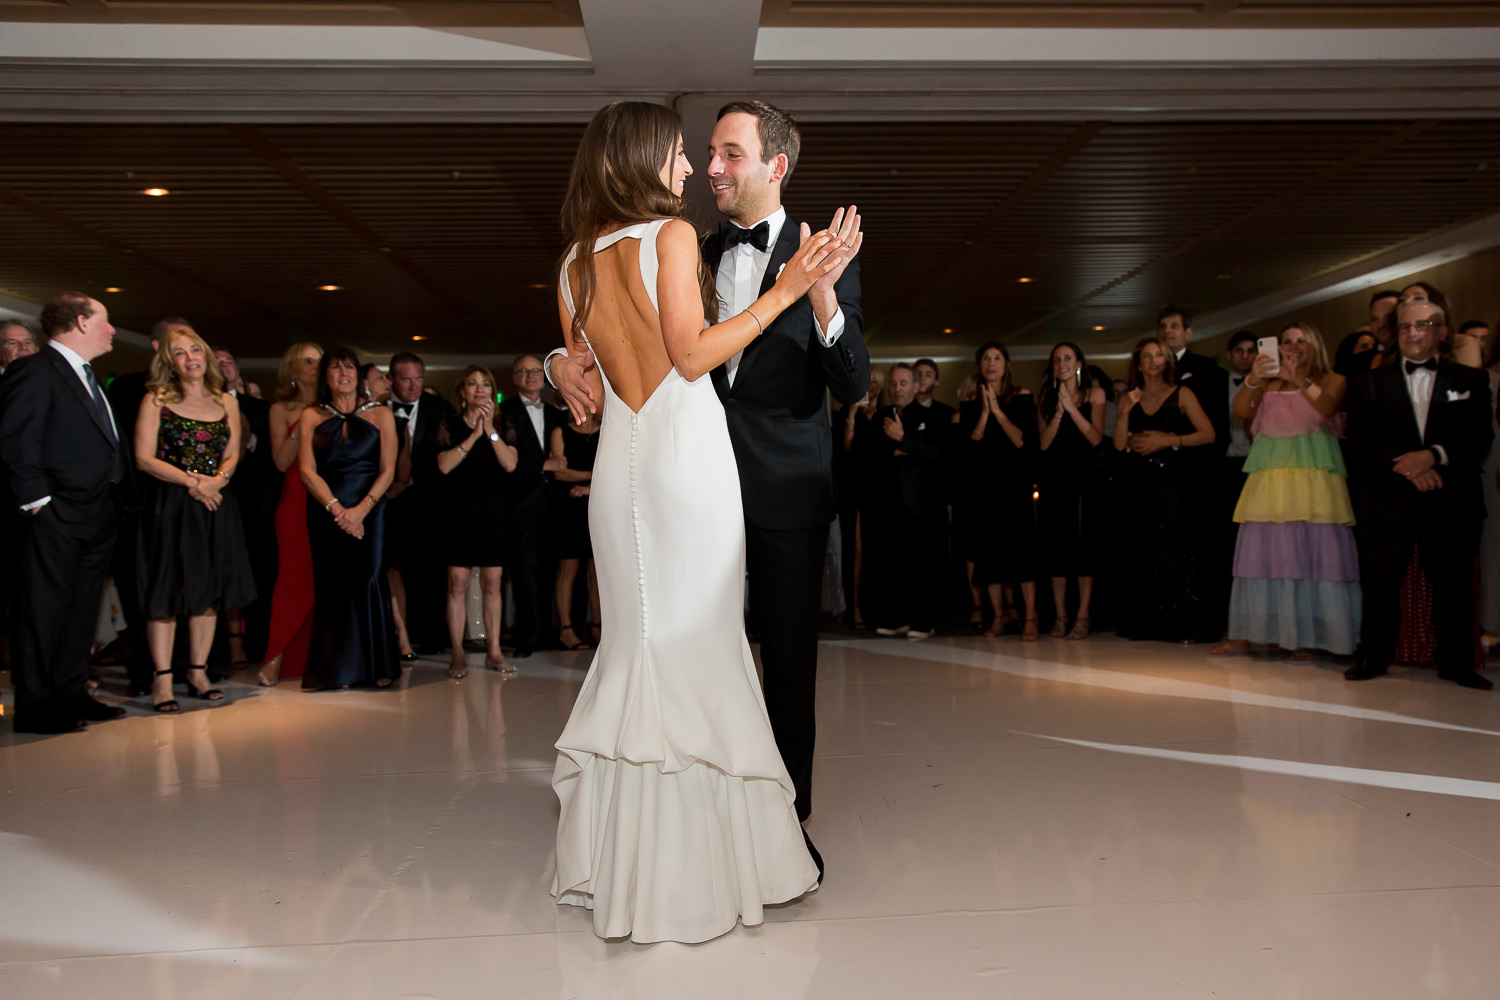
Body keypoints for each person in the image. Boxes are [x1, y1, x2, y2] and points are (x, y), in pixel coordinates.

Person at [545, 100, 859, 942]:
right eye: (684, 156)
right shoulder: (680, 238)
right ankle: (713, 864)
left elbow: (582, 379)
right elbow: (689, 355)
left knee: (643, 649)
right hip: (691, 470)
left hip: (623, 473)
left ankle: (628, 865)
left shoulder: (574, 260)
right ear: (643, 158)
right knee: (705, 655)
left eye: (718, 155)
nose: (695, 170)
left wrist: (554, 364)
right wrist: (788, 287)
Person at [0, 292, 132, 733]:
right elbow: (19, 440)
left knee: (81, 611)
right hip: (57, 513)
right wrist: (40, 504)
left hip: (98, 513)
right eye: (106, 321)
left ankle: (71, 693)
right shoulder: (33, 372)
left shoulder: (89, 376)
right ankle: (37, 708)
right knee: (43, 611)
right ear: (79, 323)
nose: (112, 330)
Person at [1344, 300, 1493, 689]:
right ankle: (1373, 656)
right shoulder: (1368, 383)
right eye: (1405, 327)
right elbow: (1362, 440)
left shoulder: (1471, 381)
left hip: (1450, 496)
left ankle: (1457, 664)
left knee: (1454, 584)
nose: (1412, 333)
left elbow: (1480, 437)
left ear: (1442, 332)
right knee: (1379, 583)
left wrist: (1433, 457)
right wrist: (1410, 468)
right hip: (1388, 497)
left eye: (1422, 325)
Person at [1213, 322, 1358, 661]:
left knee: (1313, 553)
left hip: (1313, 477)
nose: (1293, 347)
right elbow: (1239, 411)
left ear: (1315, 345)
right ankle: (1245, 635)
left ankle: (1308, 637)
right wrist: (1252, 378)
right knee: (1260, 553)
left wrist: (1299, 380)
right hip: (1270, 476)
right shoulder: (1266, 382)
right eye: (1286, 342)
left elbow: (1327, 408)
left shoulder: (1332, 379)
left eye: (1300, 341)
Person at [134, 328, 256, 710]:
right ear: (169, 362)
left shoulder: (227, 402)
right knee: (166, 591)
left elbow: (233, 453)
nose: (190, 358)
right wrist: (192, 482)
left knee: (207, 592)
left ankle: (198, 672)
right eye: (180, 353)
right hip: (172, 504)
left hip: (216, 504)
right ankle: (163, 680)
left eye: (195, 350)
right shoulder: (156, 401)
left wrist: (217, 481)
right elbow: (143, 457)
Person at [298, 347, 401, 691]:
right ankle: (333, 670)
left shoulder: (381, 414)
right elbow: (306, 470)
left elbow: (389, 471)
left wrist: (360, 510)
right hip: (327, 510)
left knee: (370, 578)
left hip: (372, 510)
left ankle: (377, 664)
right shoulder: (312, 415)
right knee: (332, 584)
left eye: (349, 368)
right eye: (336, 368)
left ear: (358, 374)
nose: (344, 374)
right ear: (325, 376)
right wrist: (337, 510)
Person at [1113, 337, 1217, 644]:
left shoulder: (1182, 393)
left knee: (1175, 550)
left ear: (1167, 361)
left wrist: (1170, 439)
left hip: (1173, 483)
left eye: (1159, 355)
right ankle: (1147, 624)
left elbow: (1208, 434)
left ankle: (1182, 624)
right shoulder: (1130, 397)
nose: (1154, 360)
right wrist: (1124, 413)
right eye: (1148, 356)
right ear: (1140, 364)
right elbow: (1119, 445)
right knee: (1144, 549)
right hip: (1140, 484)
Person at [435, 365, 518, 678]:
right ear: (462, 392)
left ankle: (494, 650)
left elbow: (510, 464)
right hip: (458, 513)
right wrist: (473, 436)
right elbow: (444, 466)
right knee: (456, 584)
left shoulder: (503, 423)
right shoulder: (449, 424)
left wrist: (490, 432)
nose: (480, 389)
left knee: (493, 584)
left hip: (494, 514)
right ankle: (458, 652)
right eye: (472, 384)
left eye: (485, 384)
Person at [951, 342, 1038, 639]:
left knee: (1022, 553)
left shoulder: (1023, 397)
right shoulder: (970, 404)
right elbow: (968, 451)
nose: (991, 363)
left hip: (1015, 485)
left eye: (997, 358)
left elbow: (1022, 442)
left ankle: (1030, 617)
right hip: (985, 487)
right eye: (986, 359)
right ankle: (998, 616)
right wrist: (985, 413)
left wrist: (998, 412)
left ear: (1007, 364)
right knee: (990, 555)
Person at [257, 342, 323, 686]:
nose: (316, 366)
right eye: (308, 361)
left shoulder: (336, 405)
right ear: (294, 370)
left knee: (326, 580)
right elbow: (281, 461)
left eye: (319, 361)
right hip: (295, 499)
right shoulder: (280, 409)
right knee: (292, 578)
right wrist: (305, 424)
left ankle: (320, 654)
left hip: (331, 498)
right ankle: (276, 654)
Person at [865, 363, 946, 640]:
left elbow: (938, 457)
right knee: (892, 565)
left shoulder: (931, 417)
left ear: (915, 386)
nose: (897, 388)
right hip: (888, 505)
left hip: (921, 505)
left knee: (921, 566)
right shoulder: (880, 418)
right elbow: (872, 459)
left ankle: (923, 621)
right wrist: (897, 451)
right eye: (894, 384)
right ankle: (895, 617)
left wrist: (904, 441)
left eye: (903, 383)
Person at [386, 351, 454, 657]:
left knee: (430, 569)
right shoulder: (376, 409)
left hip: (429, 505)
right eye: (406, 379)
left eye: (418, 379)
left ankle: (432, 636)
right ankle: (393, 636)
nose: (413, 386)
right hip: (385, 503)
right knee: (391, 571)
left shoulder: (440, 409)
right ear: (391, 379)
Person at [1037, 341, 1105, 639]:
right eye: (1056, 359)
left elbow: (1095, 437)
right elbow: (1043, 443)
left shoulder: (1095, 394)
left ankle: (1083, 614)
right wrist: (1059, 411)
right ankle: (1061, 614)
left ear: (1078, 363)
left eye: (1067, 358)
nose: (1061, 363)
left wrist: (1072, 409)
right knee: (1057, 548)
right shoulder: (1045, 397)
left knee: (1084, 547)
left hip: (1085, 478)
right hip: (1055, 479)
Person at [214, 346, 277, 667]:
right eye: (217, 361)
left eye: (229, 360)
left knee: (259, 575)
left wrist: (247, 438)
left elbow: (271, 459)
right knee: (221, 575)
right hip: (215, 499)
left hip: (255, 504)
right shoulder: (202, 405)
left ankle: (258, 642)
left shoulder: (259, 408)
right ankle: (224, 647)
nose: (224, 365)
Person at [499, 355, 566, 656]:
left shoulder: (555, 413)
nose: (531, 376)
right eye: (524, 371)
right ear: (514, 378)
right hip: (520, 504)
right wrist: (544, 465)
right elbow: (507, 460)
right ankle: (527, 635)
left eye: (537, 371)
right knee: (524, 570)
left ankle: (548, 632)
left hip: (554, 504)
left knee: (550, 568)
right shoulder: (505, 412)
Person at [837, 367, 886, 629]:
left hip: (883, 494)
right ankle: (855, 608)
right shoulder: (846, 413)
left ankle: (878, 610)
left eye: (875, 381)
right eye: (866, 381)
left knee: (879, 552)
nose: (870, 385)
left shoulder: (888, 414)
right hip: (855, 492)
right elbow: (846, 447)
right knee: (856, 552)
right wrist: (854, 413)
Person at [549, 410, 601, 650]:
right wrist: (595, 475)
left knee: (598, 572)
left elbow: (618, 467)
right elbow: (559, 472)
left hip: (599, 502)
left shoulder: (608, 427)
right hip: (568, 506)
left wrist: (589, 485)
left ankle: (598, 627)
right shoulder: (561, 432)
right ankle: (566, 629)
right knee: (568, 571)